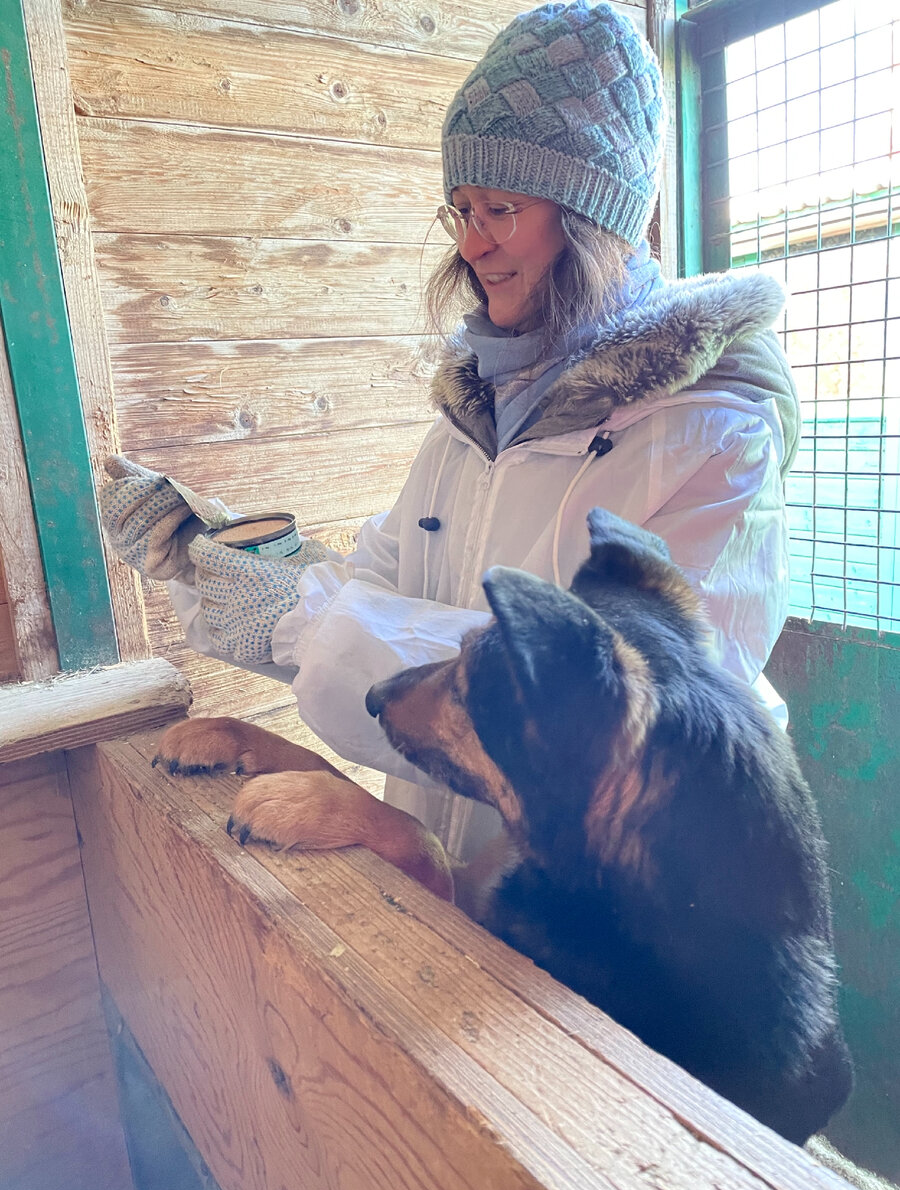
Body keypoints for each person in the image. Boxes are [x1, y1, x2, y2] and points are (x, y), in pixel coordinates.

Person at [99, 0, 799, 862]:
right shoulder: (476, 415)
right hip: (448, 870)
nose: (471, 246)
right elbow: (377, 584)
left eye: (500, 207)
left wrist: (311, 620)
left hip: (616, 912)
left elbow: (638, 725)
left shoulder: (714, 431)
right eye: (460, 209)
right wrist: (213, 562)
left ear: (597, 216)